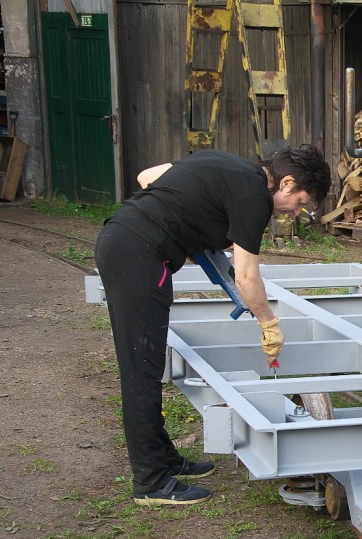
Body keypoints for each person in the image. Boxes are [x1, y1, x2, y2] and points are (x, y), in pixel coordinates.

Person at [95, 145, 332, 506]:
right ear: (286, 182)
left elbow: (148, 177)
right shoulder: (254, 198)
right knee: (140, 369)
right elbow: (247, 277)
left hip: (125, 242)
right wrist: (270, 323)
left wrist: (188, 224)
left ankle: (163, 460)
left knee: (145, 362)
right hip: (140, 255)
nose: (296, 211)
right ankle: (151, 481)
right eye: (301, 202)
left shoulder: (226, 163)